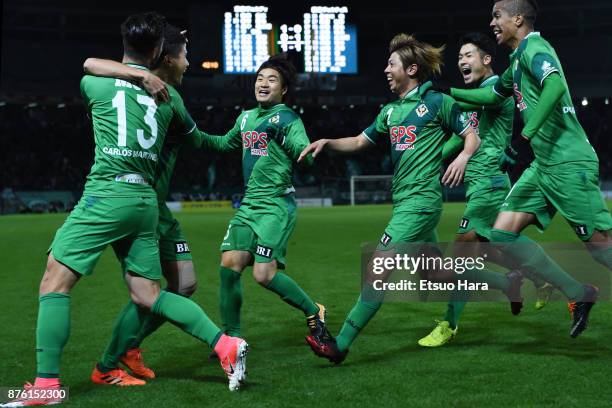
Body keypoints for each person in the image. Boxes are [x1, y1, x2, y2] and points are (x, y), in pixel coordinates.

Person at [9, 14, 247, 406]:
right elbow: (201, 140)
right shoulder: (169, 100)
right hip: (144, 204)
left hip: (106, 194)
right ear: (159, 53)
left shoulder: (96, 83)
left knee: (54, 282)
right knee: (149, 294)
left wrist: (139, 70)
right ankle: (224, 344)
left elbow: (88, 64)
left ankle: (46, 386)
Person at [299, 33, 492, 364]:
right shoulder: (389, 112)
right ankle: (507, 280)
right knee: (435, 274)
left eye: (392, 65)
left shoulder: (438, 102)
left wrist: (462, 157)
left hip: (421, 203)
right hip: (405, 203)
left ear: (412, 69)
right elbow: (360, 141)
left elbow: (470, 137)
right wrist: (328, 141)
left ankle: (339, 345)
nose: (386, 70)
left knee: (378, 268)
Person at [448, 0, 611, 338]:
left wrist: (530, 128)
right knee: (502, 234)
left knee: (600, 248)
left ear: (517, 19)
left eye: (497, 16)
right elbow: (493, 96)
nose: (492, 23)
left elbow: (554, 86)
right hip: (543, 166)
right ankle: (580, 294)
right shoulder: (515, 62)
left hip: (568, 162)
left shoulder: (535, 48)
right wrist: (443, 98)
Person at [81, 25, 208, 381]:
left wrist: (244, 135)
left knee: (184, 285)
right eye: (184, 55)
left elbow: (201, 141)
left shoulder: (170, 97)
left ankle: (128, 347)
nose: (188, 62)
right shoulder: (143, 92)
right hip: (139, 204)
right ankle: (113, 358)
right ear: (166, 57)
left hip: (158, 209)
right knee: (151, 290)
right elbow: (90, 64)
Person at [418, 32, 553, 348]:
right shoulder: (475, 96)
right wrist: (429, 162)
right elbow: (462, 136)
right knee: (483, 253)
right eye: (460, 57)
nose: (462, 61)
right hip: (480, 186)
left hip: (489, 186)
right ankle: (527, 279)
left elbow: (479, 104)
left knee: (457, 261)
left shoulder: (495, 89)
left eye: (468, 55)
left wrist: (442, 95)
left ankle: (450, 324)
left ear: (487, 59)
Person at [199, 54, 331, 347]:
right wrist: (190, 133)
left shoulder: (288, 118)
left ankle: (314, 311)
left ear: (283, 89)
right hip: (249, 206)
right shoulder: (245, 117)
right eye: (260, 78)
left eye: (272, 80)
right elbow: (223, 143)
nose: (263, 83)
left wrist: (299, 148)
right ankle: (231, 338)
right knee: (229, 265)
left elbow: (303, 153)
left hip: (275, 206)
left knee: (263, 274)